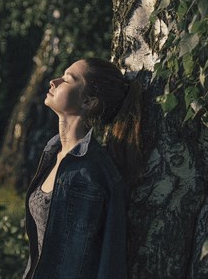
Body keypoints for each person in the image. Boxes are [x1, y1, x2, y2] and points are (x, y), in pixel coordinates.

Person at [22, 57, 145, 279]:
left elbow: (110, 261)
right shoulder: (51, 154)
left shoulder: (96, 173)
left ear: (89, 102)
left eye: (67, 79)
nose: (54, 81)